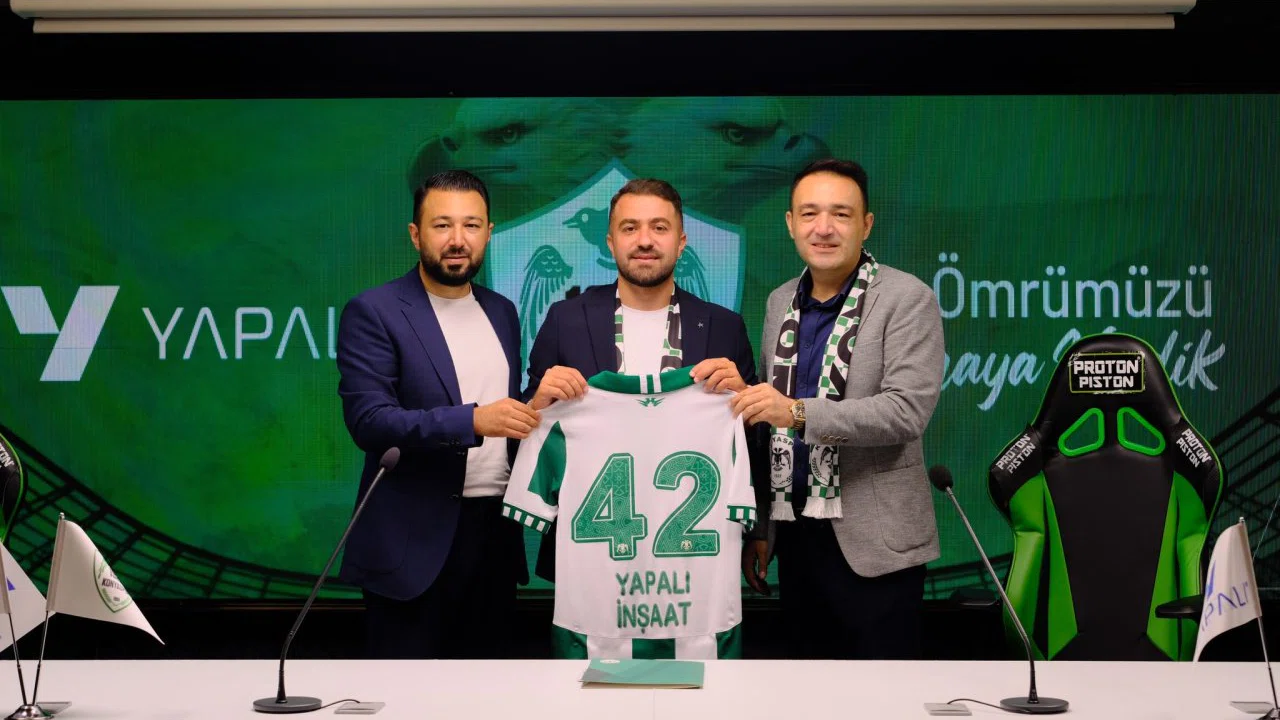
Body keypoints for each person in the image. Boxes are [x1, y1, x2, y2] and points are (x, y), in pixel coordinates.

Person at [733, 158, 945, 660]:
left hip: (876, 546)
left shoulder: (907, 298)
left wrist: (798, 413)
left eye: (841, 214)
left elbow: (905, 412)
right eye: (809, 214)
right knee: (806, 689)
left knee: (883, 692)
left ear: (866, 224)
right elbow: (769, 428)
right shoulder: (779, 302)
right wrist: (762, 529)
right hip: (796, 536)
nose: (823, 228)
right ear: (790, 223)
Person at [335, 169, 537, 659]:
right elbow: (370, 422)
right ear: (415, 234)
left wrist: (538, 404)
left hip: (494, 539)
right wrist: (472, 421)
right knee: (405, 693)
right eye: (442, 225)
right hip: (412, 546)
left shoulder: (502, 311)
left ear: (489, 232)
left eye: (471, 225)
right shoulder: (374, 310)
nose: (457, 240)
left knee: (491, 691)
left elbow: (504, 410)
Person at [524, 178, 757, 582]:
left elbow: (752, 443)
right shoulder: (565, 320)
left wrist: (746, 401)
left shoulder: (724, 327)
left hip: (693, 550)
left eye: (659, 228)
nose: (645, 240)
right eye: (630, 228)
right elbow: (525, 430)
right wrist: (536, 404)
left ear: (681, 243)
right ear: (611, 242)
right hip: (590, 548)